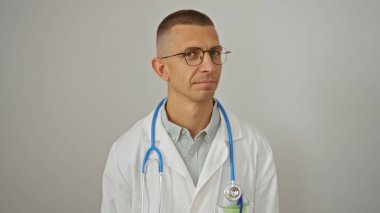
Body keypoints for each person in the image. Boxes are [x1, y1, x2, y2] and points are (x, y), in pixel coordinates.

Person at [101, 9, 279, 213]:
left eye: (214, 53)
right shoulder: (126, 153)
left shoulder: (255, 148)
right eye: (191, 54)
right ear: (161, 69)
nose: (209, 67)